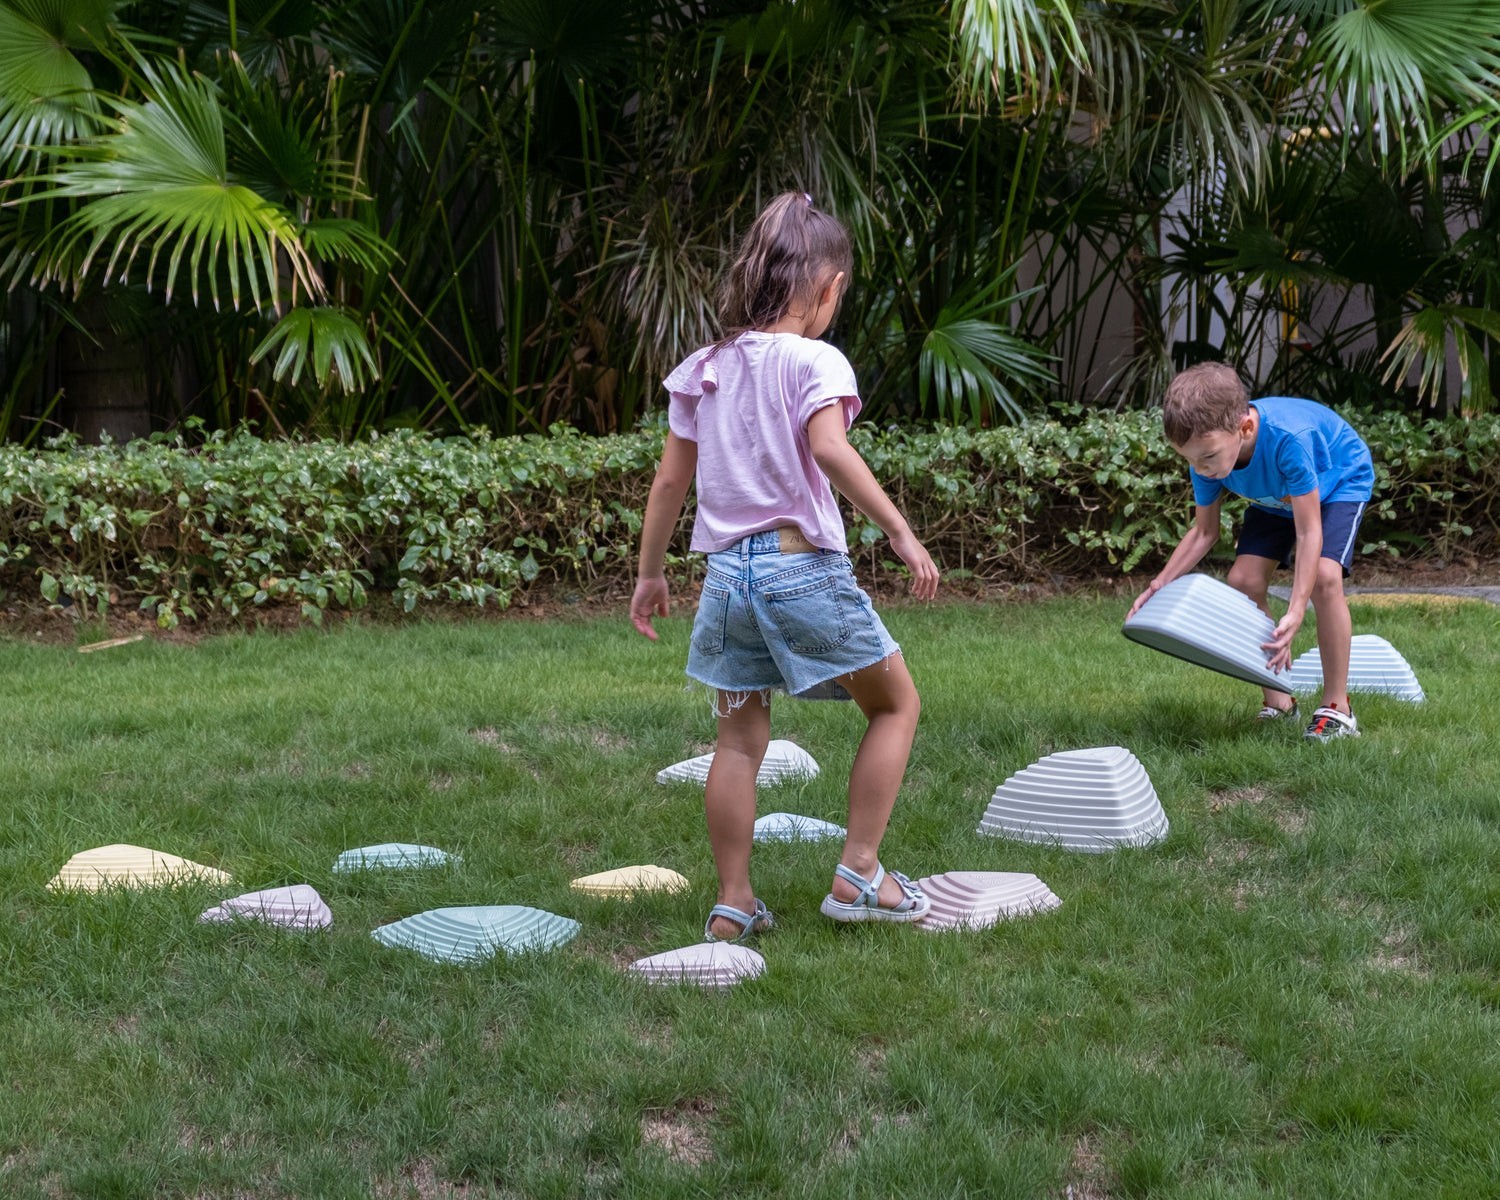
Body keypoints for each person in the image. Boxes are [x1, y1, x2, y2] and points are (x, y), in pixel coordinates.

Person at [629, 191, 940, 943]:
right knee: (896, 706)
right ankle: (859, 871)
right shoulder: (815, 359)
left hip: (726, 582)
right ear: (830, 289)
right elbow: (830, 449)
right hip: (802, 570)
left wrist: (649, 574)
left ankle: (734, 900)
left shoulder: (702, 367)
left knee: (738, 742)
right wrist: (899, 529)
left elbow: (671, 482)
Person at [1127, 362, 1374, 740]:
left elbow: (1309, 532)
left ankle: (1337, 708)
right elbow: (1204, 532)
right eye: (1190, 460)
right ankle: (1279, 702)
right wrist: (1159, 584)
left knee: (1325, 578)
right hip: (1277, 497)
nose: (1200, 469)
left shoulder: (1289, 440)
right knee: (1243, 579)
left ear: (1244, 429)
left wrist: (1294, 611)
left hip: (1337, 482)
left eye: (1207, 457)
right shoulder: (1206, 455)